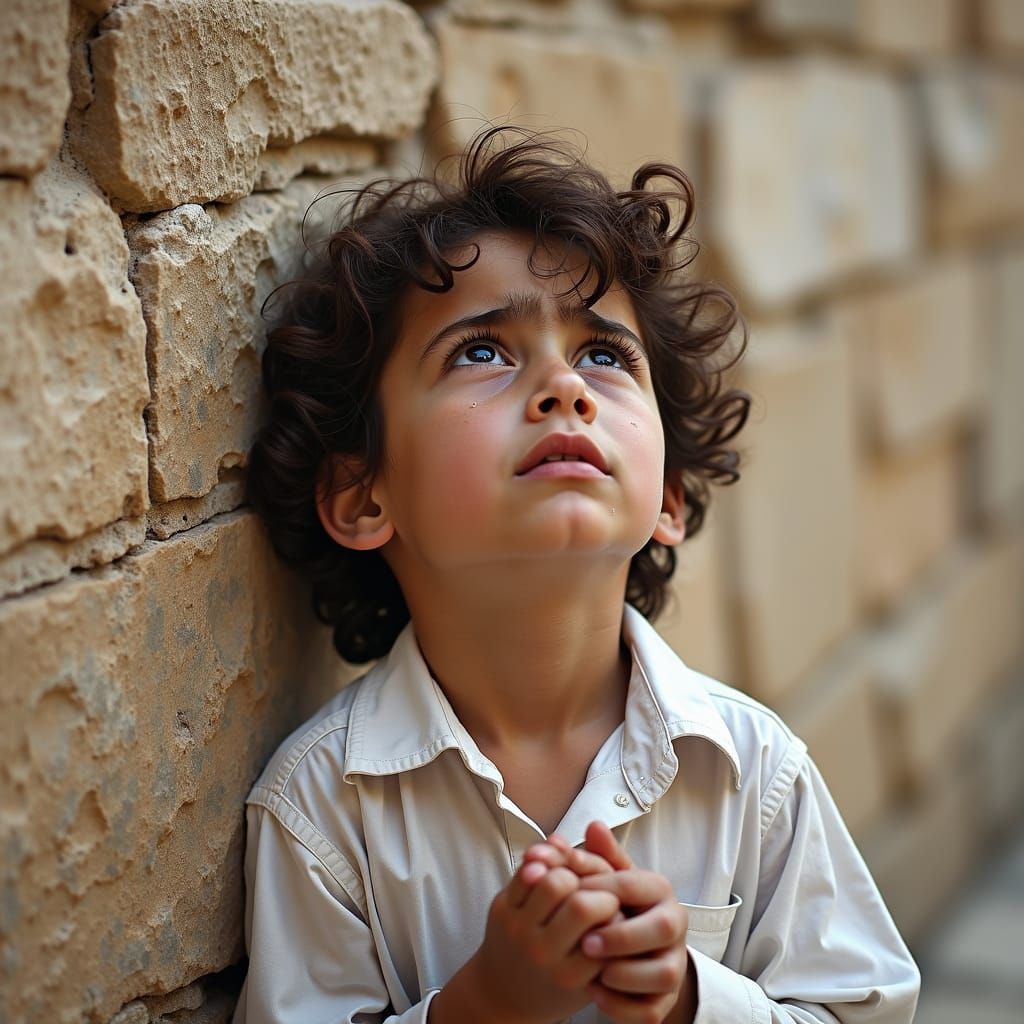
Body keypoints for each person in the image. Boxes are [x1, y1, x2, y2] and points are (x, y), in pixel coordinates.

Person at [233, 125, 920, 1024]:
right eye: (482, 351)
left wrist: (688, 997)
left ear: (667, 495)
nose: (566, 386)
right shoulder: (321, 809)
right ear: (365, 493)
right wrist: (485, 1006)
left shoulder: (755, 774)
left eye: (604, 355)